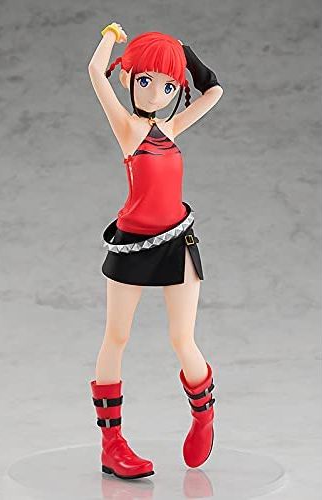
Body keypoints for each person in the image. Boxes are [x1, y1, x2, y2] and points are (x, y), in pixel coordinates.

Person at [87, 22, 223, 480]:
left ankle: (204, 415)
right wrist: (111, 37)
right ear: (128, 78)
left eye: (168, 86)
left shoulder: (171, 125)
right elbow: (95, 72)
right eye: (146, 80)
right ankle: (111, 443)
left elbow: (214, 91)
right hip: (132, 244)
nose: (156, 93)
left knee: (183, 338)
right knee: (116, 337)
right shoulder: (127, 129)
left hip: (177, 242)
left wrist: (183, 52)